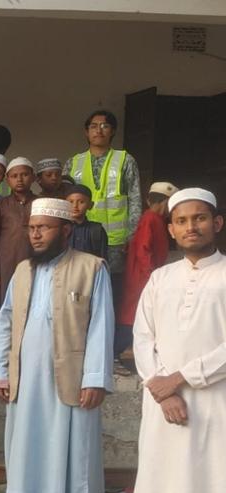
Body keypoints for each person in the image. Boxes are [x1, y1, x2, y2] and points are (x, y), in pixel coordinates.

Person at [0, 197, 113, 493]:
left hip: (72, 379)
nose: (36, 235)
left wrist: (96, 378)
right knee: (29, 448)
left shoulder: (92, 268)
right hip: (26, 380)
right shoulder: (22, 270)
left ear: (66, 230)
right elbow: (5, 322)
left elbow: (101, 325)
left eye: (43, 228)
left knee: (76, 452)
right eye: (31, 228)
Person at [133, 187, 225, 493]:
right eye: (181, 221)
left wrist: (179, 378)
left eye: (199, 218)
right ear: (170, 229)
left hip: (215, 405)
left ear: (217, 223)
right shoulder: (160, 278)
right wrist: (164, 389)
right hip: (163, 408)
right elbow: (143, 337)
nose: (191, 227)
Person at [64, 109, 142, 293]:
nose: (98, 130)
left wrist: (132, 236)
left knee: (111, 285)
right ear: (86, 132)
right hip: (80, 235)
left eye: (104, 126)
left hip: (115, 239)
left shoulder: (125, 160)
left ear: (113, 131)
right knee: (79, 283)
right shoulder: (73, 162)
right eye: (93, 126)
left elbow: (135, 197)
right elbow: (64, 200)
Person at [0, 158, 38, 367]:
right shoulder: (0, 206)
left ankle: (30, 354)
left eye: (24, 175)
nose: (20, 179)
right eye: (14, 176)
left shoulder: (40, 203)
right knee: (6, 307)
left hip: (35, 264)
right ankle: (4, 356)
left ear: (32, 176)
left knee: (34, 306)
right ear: (8, 179)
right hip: (7, 266)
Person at [116, 182, 178, 359]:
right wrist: (151, 275)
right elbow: (144, 249)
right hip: (142, 276)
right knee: (133, 311)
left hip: (145, 274)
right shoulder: (151, 218)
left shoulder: (154, 219)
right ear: (166, 202)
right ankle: (120, 350)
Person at [64, 184, 108, 259]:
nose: (75, 206)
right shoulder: (61, 229)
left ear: (90, 205)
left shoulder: (97, 230)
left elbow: (102, 259)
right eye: (71, 202)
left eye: (81, 202)